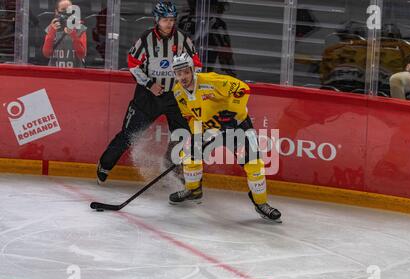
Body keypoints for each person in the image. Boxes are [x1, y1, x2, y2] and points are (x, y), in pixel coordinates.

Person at [96, 1, 202, 184]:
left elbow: (196, 64)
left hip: (175, 96)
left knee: (183, 134)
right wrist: (149, 84)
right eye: (165, 20)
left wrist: (187, 84)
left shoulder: (183, 39)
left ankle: (169, 167)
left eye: (171, 19)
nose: (169, 23)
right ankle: (104, 165)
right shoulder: (146, 39)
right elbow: (133, 63)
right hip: (148, 96)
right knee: (129, 134)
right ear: (157, 20)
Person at [169, 53, 282, 223]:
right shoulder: (178, 92)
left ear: (193, 70)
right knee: (191, 156)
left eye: (185, 72)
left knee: (255, 165)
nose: (182, 77)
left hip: (239, 126)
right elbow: (191, 117)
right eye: (178, 73)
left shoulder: (210, 81)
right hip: (209, 128)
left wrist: (231, 112)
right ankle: (193, 190)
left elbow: (242, 88)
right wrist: (196, 135)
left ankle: (261, 203)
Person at [42, 0, 87, 68]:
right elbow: (46, 53)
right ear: (56, 11)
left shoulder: (80, 28)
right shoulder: (51, 28)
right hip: (55, 73)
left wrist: (73, 34)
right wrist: (52, 31)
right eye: (63, 9)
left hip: (75, 73)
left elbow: (82, 54)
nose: (66, 12)